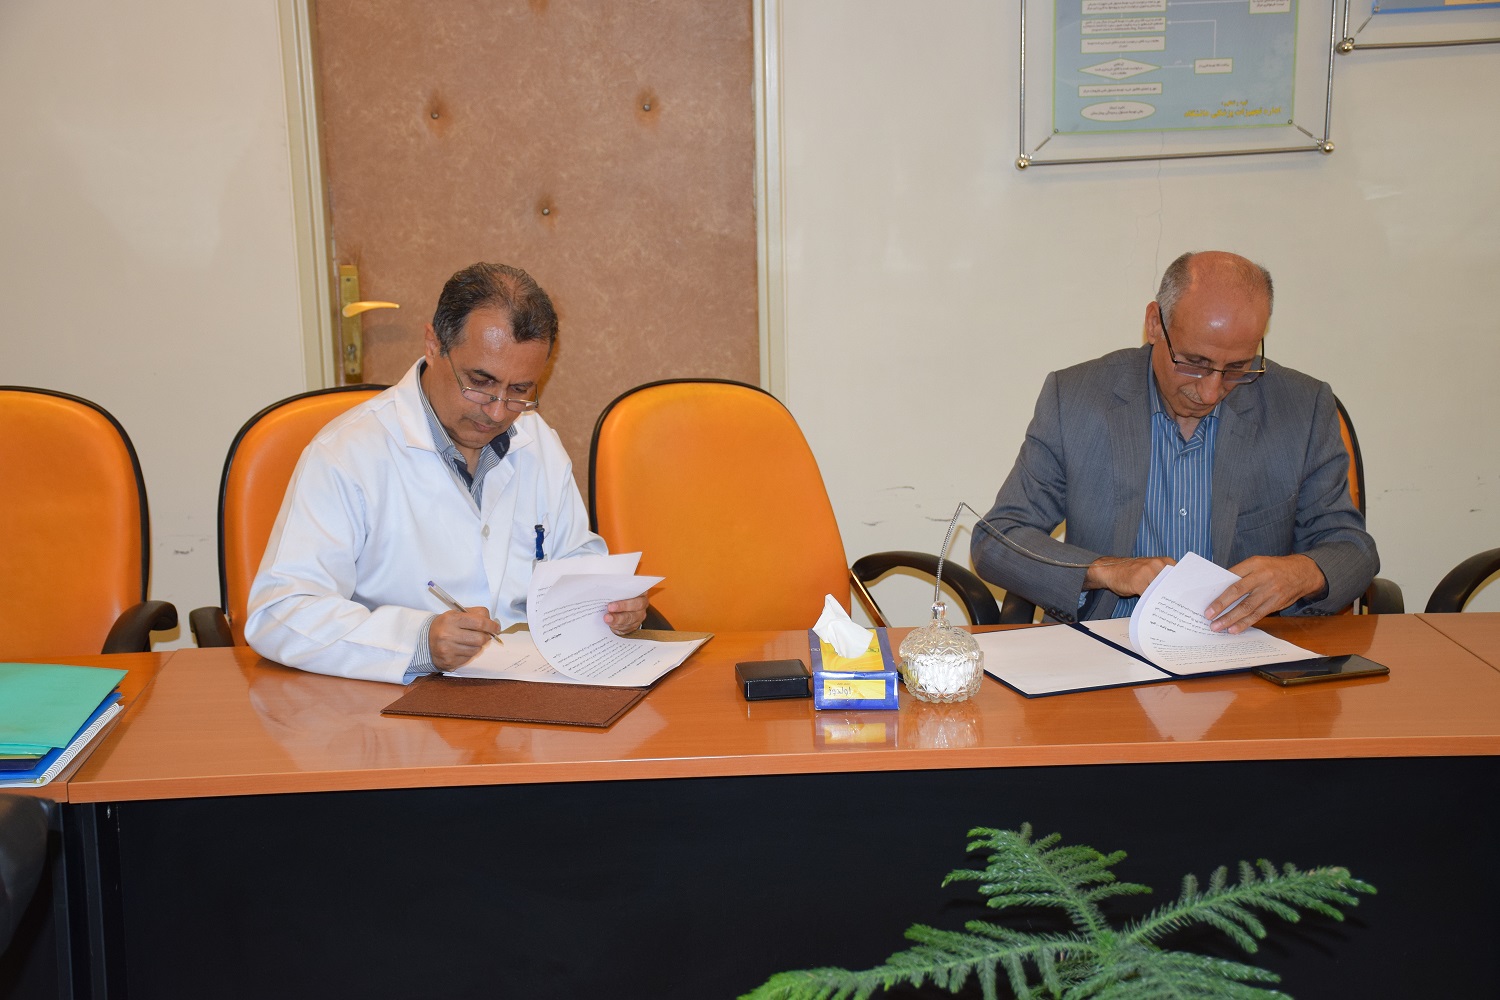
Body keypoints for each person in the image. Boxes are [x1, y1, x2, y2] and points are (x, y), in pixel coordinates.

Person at [246, 262, 648, 683]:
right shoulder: (347, 453)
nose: (497, 412)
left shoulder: (536, 440)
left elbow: (575, 560)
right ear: (433, 345)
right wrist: (416, 641)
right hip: (391, 701)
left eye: (520, 390)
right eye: (480, 381)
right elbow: (280, 613)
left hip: (528, 690)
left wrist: (610, 604)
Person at [971, 250, 1378, 634]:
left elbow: (1353, 550)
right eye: (1195, 363)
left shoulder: (1302, 408)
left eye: (1237, 367)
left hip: (1244, 649)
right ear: (1154, 323)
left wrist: (1301, 572)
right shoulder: (1076, 399)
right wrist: (1104, 570)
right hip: (1105, 643)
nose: (1211, 391)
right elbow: (997, 539)